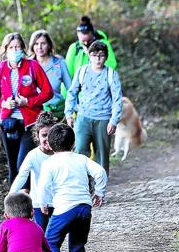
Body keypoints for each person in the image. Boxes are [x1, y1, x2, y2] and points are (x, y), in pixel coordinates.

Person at [39, 123, 106, 252]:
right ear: (73, 143)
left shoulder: (50, 163)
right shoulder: (81, 159)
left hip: (64, 209)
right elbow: (100, 172)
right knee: (77, 246)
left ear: (51, 145)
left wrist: (44, 203)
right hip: (84, 208)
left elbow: (44, 185)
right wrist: (99, 193)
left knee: (50, 241)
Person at [0, 32, 53, 185]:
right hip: (8, 124)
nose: (15, 50)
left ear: (23, 48)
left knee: (23, 164)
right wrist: (3, 104)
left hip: (30, 123)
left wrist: (27, 101)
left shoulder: (33, 66)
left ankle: (31, 199)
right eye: (11, 47)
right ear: (5, 49)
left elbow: (48, 92)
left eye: (18, 47)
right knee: (13, 167)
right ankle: (14, 205)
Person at [64, 41, 123, 175]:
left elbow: (117, 99)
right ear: (89, 56)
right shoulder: (82, 71)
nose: (98, 58)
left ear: (106, 57)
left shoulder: (111, 74)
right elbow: (72, 92)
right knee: (79, 151)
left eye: (101, 55)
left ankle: (99, 189)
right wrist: (69, 113)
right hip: (83, 117)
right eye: (94, 55)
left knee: (101, 154)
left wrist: (114, 120)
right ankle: (80, 182)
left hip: (103, 119)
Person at [8, 111, 57, 231]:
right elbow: (22, 176)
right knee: (41, 232)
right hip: (38, 202)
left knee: (55, 236)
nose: (48, 139)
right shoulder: (33, 155)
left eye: (51, 135)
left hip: (59, 200)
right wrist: (10, 196)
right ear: (37, 136)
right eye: (44, 135)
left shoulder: (61, 153)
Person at [29, 30, 73, 121]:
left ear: (49, 45)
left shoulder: (59, 63)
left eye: (43, 43)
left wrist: (70, 111)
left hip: (57, 112)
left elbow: (71, 90)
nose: (39, 47)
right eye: (36, 44)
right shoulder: (27, 65)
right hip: (33, 112)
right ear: (32, 46)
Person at [65, 16, 117, 81]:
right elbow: (67, 74)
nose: (86, 43)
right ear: (78, 36)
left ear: (93, 35)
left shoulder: (103, 44)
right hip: (80, 89)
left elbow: (111, 65)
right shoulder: (74, 48)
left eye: (89, 40)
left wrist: (91, 55)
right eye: (83, 41)